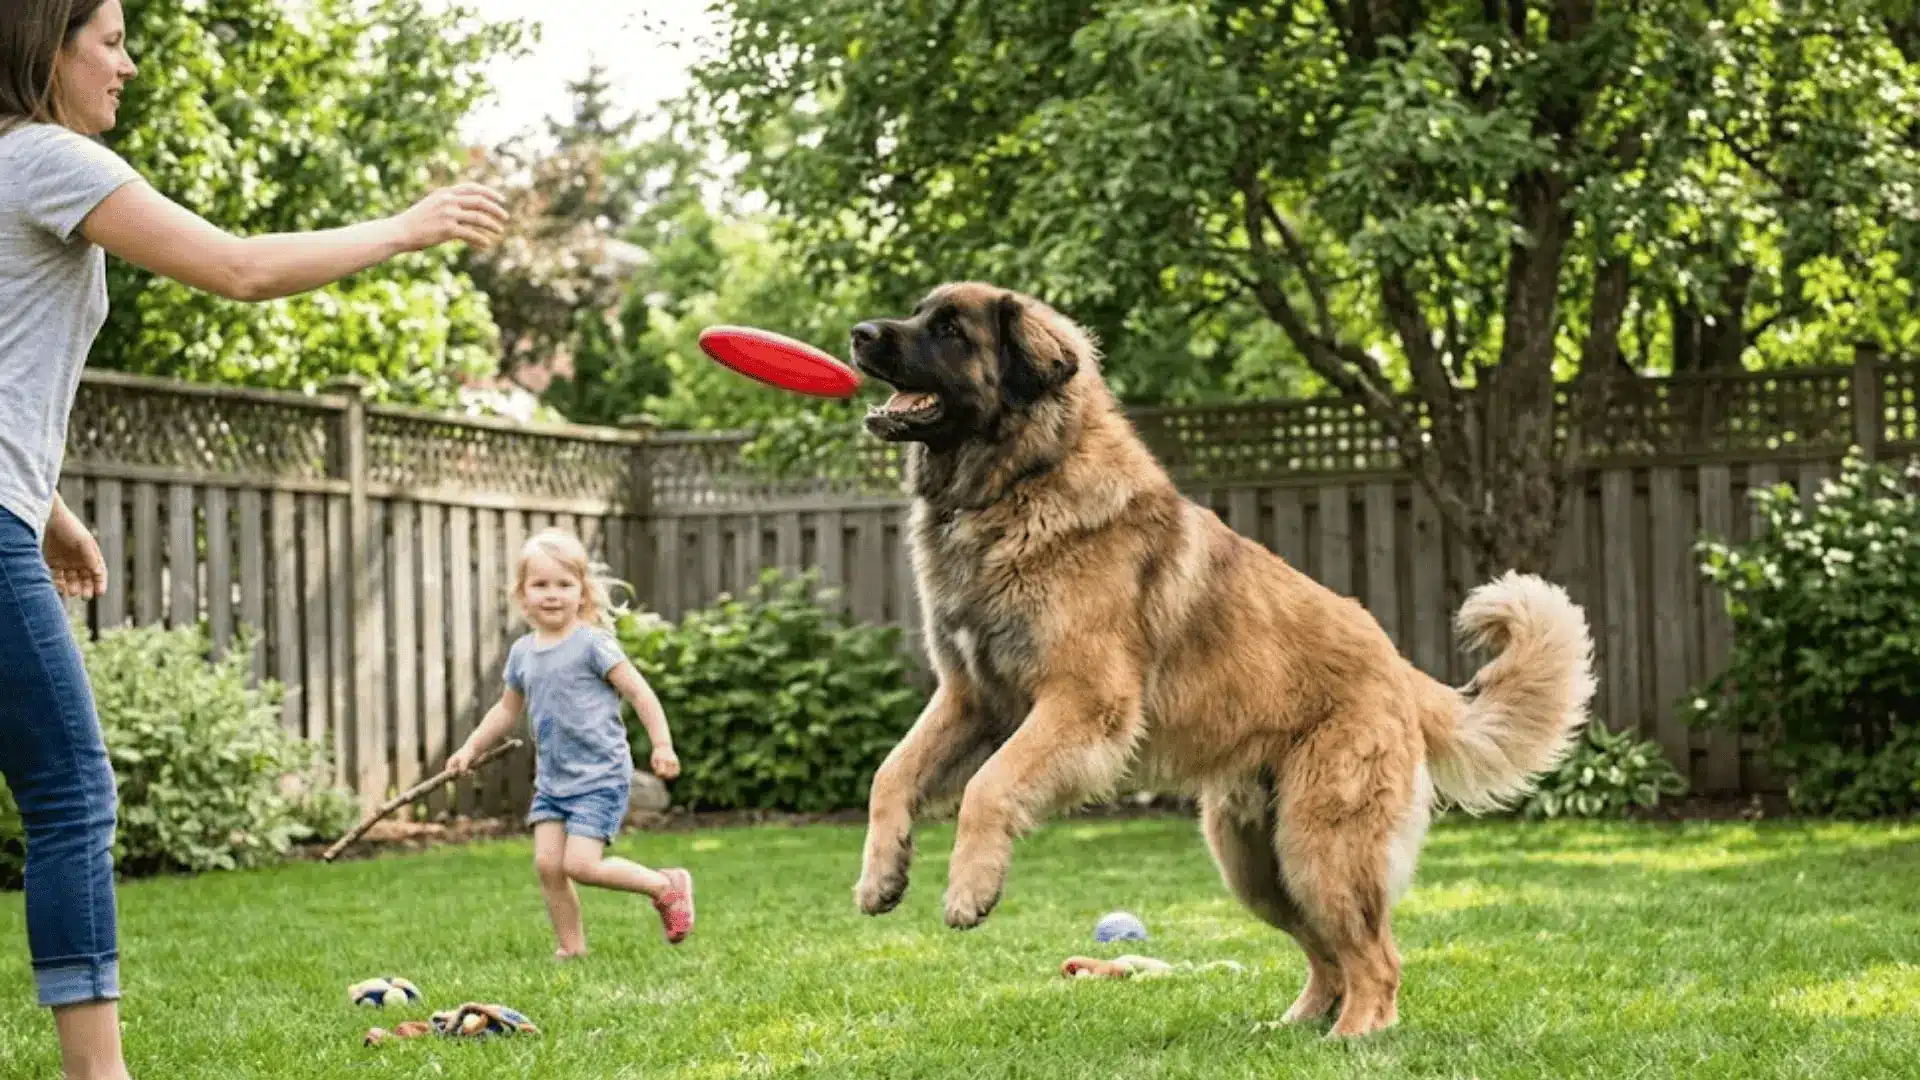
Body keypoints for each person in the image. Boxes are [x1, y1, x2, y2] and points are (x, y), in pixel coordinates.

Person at [1, 2, 508, 1077]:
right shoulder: (43, 157)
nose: (128, 66)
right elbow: (236, 267)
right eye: (112, 40)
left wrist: (46, 502)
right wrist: (406, 227)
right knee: (72, 795)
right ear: (47, 45)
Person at [446, 528, 694, 957]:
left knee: (581, 865)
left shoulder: (592, 644)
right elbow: (506, 711)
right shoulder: (522, 653)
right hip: (554, 781)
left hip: (600, 775)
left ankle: (663, 885)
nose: (552, 594)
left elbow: (640, 693)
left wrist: (662, 745)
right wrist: (471, 748)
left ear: (583, 592)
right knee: (548, 865)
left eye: (564, 584)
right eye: (540, 585)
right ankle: (572, 948)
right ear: (523, 596)